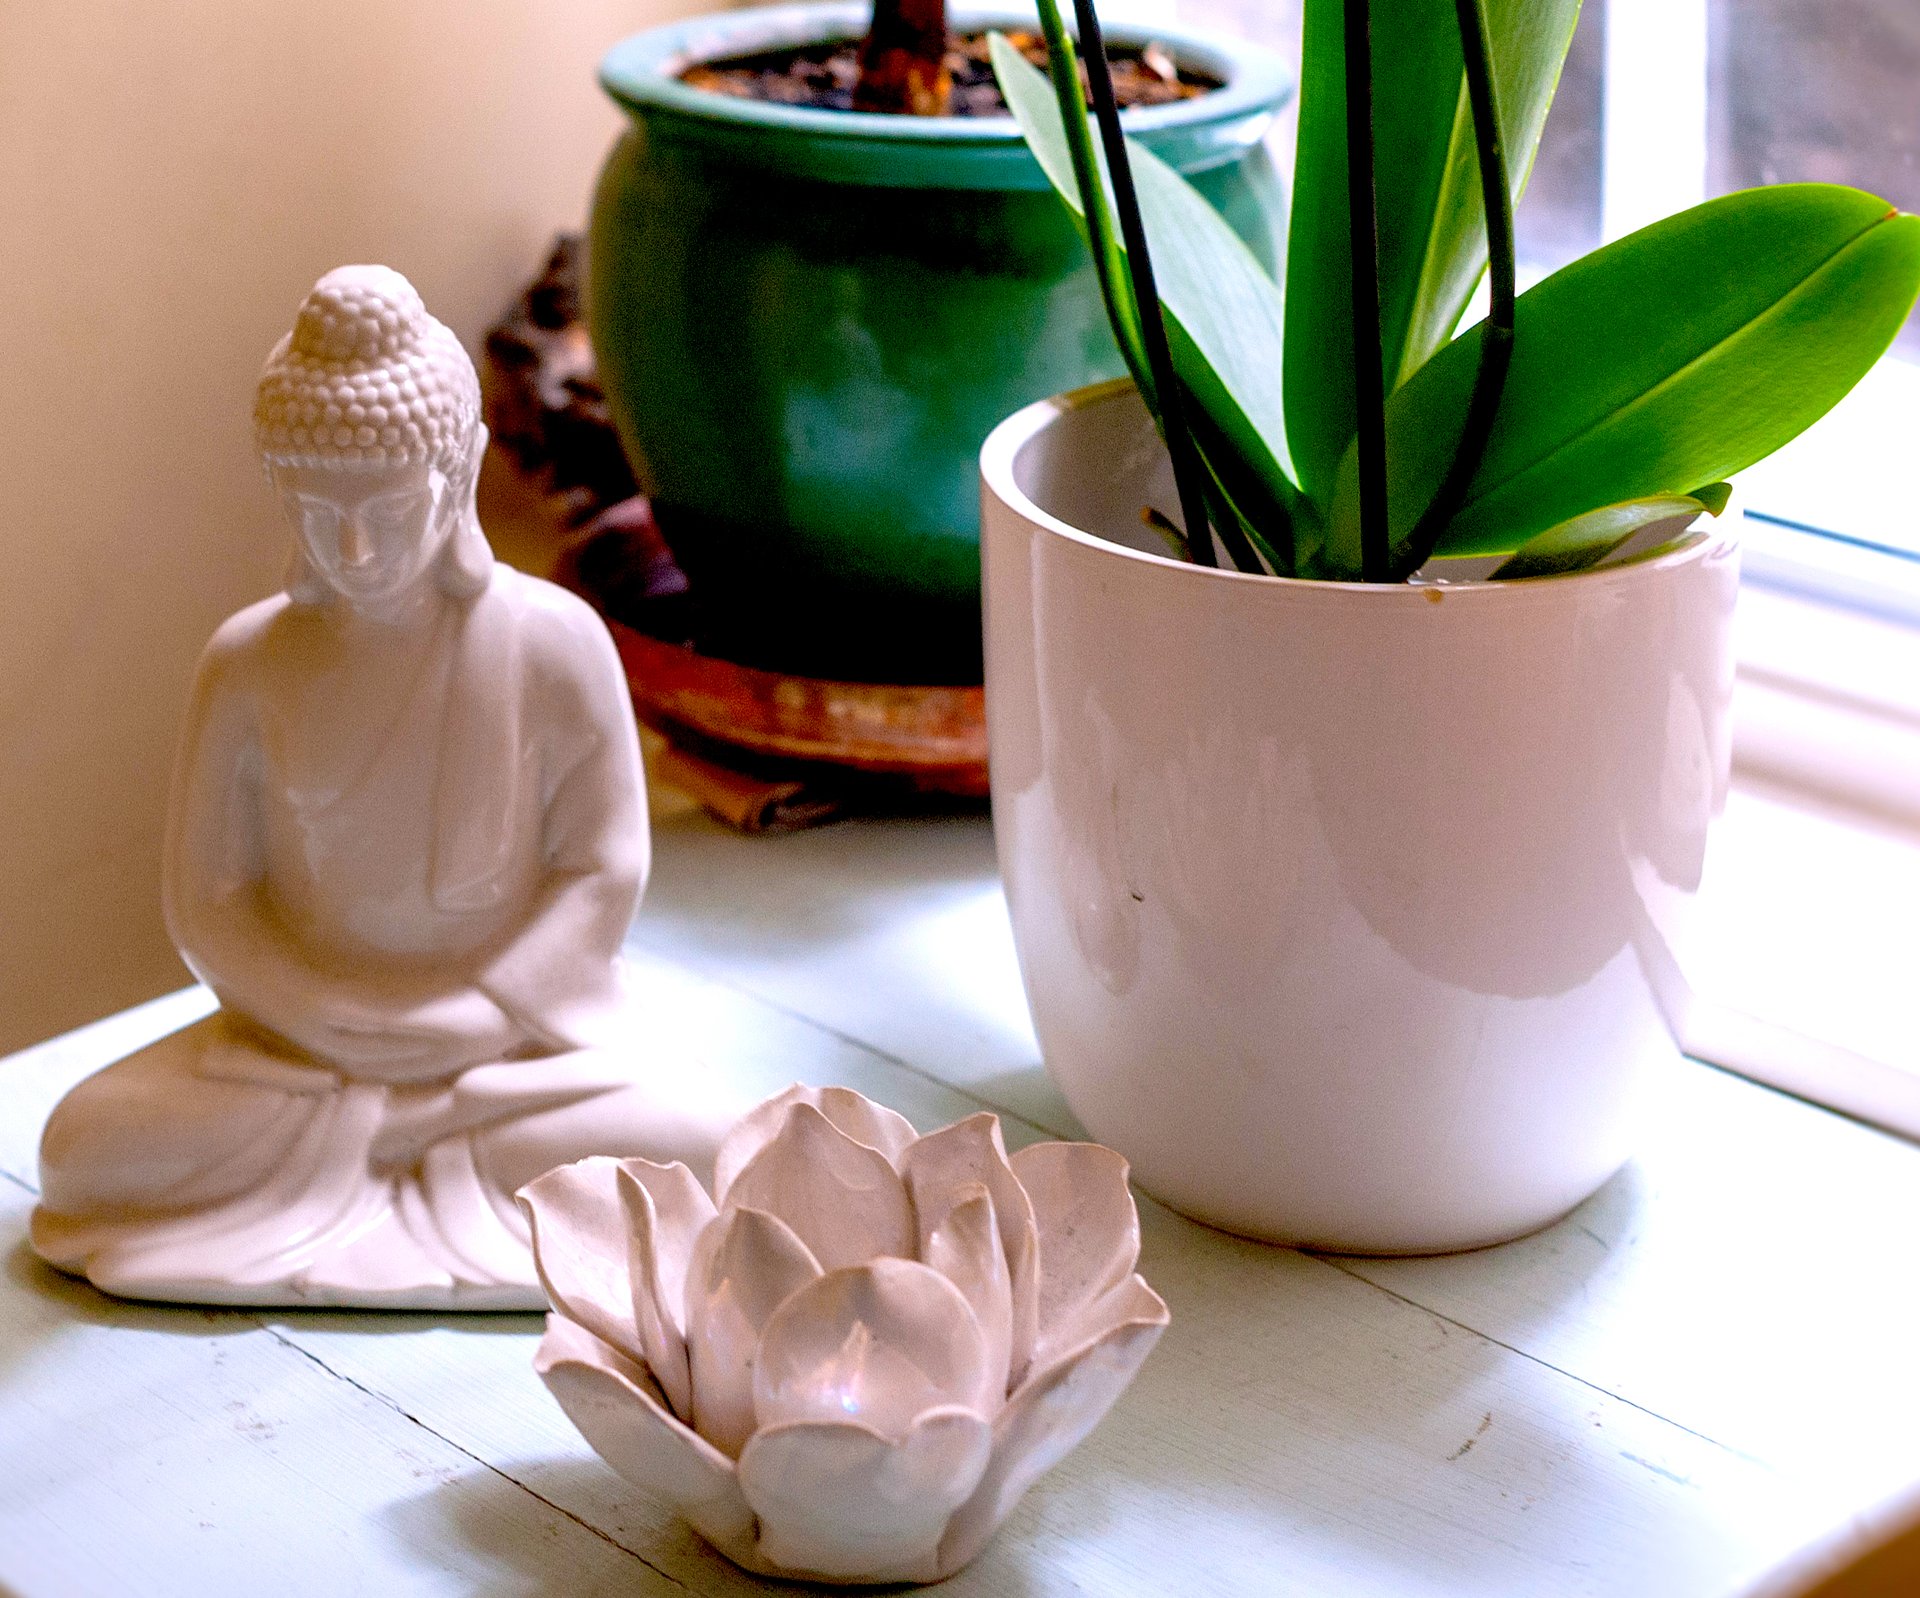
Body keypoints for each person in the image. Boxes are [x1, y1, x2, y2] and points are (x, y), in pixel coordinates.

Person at [32, 266, 737, 1306]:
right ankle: (401, 1146)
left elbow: (601, 867)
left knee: (704, 1146)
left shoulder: (552, 642)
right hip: (301, 1058)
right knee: (81, 1146)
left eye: (387, 507)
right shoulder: (249, 663)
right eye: (318, 511)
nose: (353, 547)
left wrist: (478, 1014)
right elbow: (211, 900)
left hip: (505, 1048)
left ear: (458, 472)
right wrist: (320, 1012)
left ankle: (410, 1142)